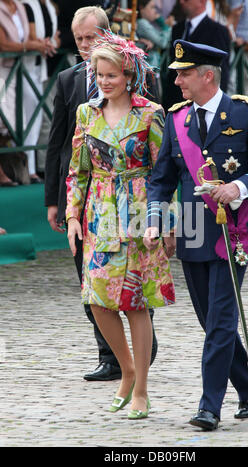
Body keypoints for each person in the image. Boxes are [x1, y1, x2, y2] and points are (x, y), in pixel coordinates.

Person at [144, 40, 248, 430]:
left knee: (220, 322)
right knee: (208, 319)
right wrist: (154, 219)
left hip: (234, 232)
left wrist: (239, 187)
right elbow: (161, 179)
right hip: (194, 231)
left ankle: (208, 406)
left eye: (184, 73)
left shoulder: (247, 114)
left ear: (208, 75)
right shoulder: (177, 118)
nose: (177, 81)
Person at [65, 30, 175, 418]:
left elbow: (166, 171)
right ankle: (126, 369)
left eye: (111, 75)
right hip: (99, 213)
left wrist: (168, 222)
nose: (104, 81)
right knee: (97, 299)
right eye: (99, 74)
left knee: (136, 303)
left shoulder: (151, 113)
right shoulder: (86, 113)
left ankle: (141, 387)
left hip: (139, 213)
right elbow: (77, 172)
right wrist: (73, 216)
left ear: (128, 75)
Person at [45, 6, 158, 383]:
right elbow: (64, 153)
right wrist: (64, 209)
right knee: (93, 291)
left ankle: (138, 366)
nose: (84, 47)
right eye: (78, 41)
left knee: (134, 295)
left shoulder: (147, 101)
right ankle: (114, 359)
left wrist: (167, 219)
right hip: (96, 206)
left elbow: (162, 167)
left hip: (138, 204)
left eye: (90, 38)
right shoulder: (77, 98)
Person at [163, 0, 231, 111]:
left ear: (202, 1)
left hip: (205, 104)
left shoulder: (217, 31)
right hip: (177, 104)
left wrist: (217, 106)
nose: (181, 2)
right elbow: (173, 71)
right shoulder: (178, 29)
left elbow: (220, 72)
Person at [0, 0, 47, 155]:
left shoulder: (20, 7)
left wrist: (39, 42)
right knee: (3, 121)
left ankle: (11, 168)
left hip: (16, 71)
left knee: (16, 124)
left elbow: (27, 37)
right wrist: (31, 46)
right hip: (2, 70)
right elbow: (3, 45)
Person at [21, 0, 59, 184]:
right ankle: (27, 168)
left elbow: (56, 35)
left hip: (40, 68)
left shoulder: (49, 6)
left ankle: (31, 168)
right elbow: (30, 37)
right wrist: (43, 44)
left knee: (36, 118)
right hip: (22, 68)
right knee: (26, 118)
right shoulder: (27, 4)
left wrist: (51, 42)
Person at [136, 0, 171, 102]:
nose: (155, 11)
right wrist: (165, 25)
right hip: (148, 71)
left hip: (153, 71)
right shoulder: (142, 23)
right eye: (151, 7)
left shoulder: (148, 23)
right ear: (142, 8)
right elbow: (163, 42)